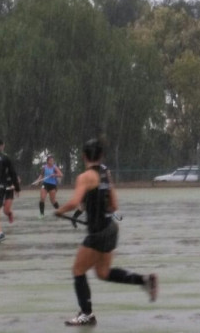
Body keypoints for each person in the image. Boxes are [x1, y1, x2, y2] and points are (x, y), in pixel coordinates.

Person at [54, 138, 157, 327]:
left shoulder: (85, 177)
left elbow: (74, 202)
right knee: (103, 272)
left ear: (84, 156)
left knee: (78, 270)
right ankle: (144, 280)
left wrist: (60, 211)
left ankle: (86, 314)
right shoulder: (105, 173)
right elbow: (114, 205)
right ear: (101, 156)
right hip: (111, 229)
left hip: (98, 232)